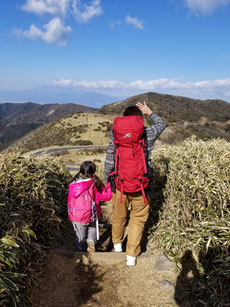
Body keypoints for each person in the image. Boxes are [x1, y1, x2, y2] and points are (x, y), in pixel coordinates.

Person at [104, 101, 166, 266]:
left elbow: (110, 160)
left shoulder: (115, 137)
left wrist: (107, 180)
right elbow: (162, 124)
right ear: (140, 120)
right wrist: (149, 112)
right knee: (138, 219)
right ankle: (131, 256)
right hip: (141, 186)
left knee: (119, 215)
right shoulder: (148, 134)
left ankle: (117, 246)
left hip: (120, 185)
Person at [68, 161, 112, 252]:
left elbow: (69, 201)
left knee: (80, 235)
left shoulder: (73, 184)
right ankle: (91, 241)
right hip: (91, 214)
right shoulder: (95, 183)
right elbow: (107, 196)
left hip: (77, 215)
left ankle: (79, 252)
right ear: (93, 172)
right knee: (92, 229)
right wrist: (109, 184)